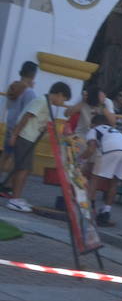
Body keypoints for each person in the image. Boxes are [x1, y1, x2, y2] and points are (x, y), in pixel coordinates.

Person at [3, 82, 69, 212]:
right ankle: (14, 199)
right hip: (25, 137)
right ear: (59, 94)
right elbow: (27, 116)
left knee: (26, 170)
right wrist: (14, 135)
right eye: (63, 99)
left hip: (30, 139)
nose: (62, 103)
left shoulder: (47, 104)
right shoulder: (42, 101)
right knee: (22, 169)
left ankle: (16, 197)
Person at [82, 121, 122, 226]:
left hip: (111, 149)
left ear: (93, 124)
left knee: (95, 178)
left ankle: (89, 209)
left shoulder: (94, 129)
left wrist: (80, 158)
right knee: (114, 183)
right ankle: (106, 212)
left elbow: (91, 149)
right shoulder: (114, 131)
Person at [1, 60, 37, 188]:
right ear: (33, 75)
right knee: (16, 158)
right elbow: (29, 112)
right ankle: (8, 184)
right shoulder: (29, 92)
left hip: (10, 124)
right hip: (20, 129)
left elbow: (9, 105)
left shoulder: (13, 87)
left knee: (5, 155)